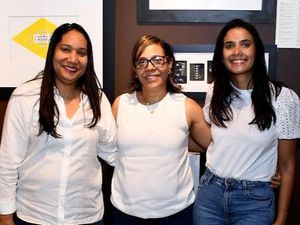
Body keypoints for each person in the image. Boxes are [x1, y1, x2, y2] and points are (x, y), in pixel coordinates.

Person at [0, 23, 117, 225]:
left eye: (81, 53)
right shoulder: (25, 97)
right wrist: (5, 215)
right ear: (52, 51)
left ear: (88, 60)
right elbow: (8, 162)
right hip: (34, 216)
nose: (73, 59)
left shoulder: (98, 100)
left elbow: (113, 153)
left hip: (86, 217)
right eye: (65, 49)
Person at [193, 18, 300, 225]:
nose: (237, 52)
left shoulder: (282, 97)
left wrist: (282, 217)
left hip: (254, 202)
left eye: (245, 44)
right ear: (221, 55)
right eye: (229, 46)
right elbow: (211, 140)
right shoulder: (215, 91)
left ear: (256, 51)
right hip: (210, 196)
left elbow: (287, 165)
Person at [110, 35, 211, 225]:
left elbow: (216, 148)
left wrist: (266, 166)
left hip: (177, 215)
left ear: (169, 64)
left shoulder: (187, 107)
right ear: (135, 69)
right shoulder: (120, 104)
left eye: (157, 60)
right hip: (125, 213)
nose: (150, 67)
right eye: (142, 61)